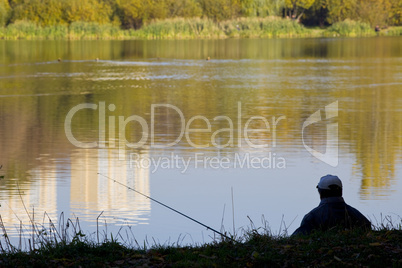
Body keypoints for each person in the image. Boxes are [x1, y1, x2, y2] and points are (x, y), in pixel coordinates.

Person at [292, 175, 371, 236]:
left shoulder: (312, 217)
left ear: (320, 192)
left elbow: (296, 239)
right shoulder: (357, 215)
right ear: (341, 191)